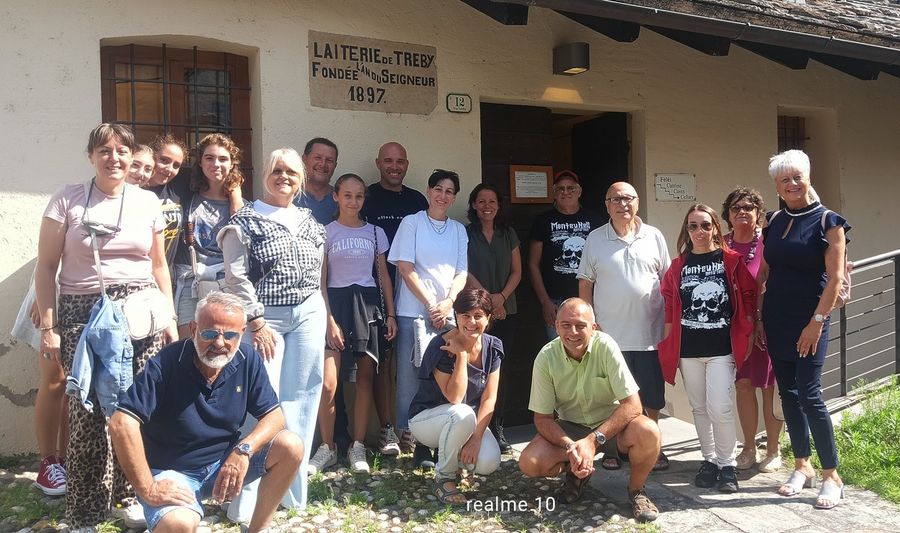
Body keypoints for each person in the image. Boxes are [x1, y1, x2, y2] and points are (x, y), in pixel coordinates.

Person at [35, 123, 177, 528]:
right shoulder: (67, 199)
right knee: (88, 412)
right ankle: (85, 509)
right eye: (104, 150)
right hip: (84, 312)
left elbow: (158, 265)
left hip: (140, 313)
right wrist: (49, 327)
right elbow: (46, 267)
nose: (114, 158)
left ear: (132, 156)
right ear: (91, 156)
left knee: (135, 407)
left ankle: (130, 495)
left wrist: (168, 317)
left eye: (121, 151)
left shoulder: (147, 202)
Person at [108, 292, 303, 533]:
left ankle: (257, 530)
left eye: (230, 335)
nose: (220, 343)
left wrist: (244, 450)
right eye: (210, 334)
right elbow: (121, 422)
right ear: (193, 329)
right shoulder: (167, 363)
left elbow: (275, 416)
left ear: (242, 332)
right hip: (173, 472)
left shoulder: (247, 358)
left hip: (223, 465)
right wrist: (148, 488)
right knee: (178, 524)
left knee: (290, 446)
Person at [219, 147, 327, 515]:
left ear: (301, 180)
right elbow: (235, 276)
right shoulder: (244, 220)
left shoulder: (310, 220)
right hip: (264, 319)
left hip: (308, 313)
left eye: (291, 172)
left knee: (303, 399)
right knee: (260, 404)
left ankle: (290, 493)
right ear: (266, 174)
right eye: (277, 170)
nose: (284, 177)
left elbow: (318, 273)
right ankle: (244, 500)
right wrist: (257, 322)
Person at [757, 149, 849, 509]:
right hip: (777, 319)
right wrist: (759, 317)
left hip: (811, 319)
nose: (792, 184)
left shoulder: (829, 221)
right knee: (789, 395)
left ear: (808, 176)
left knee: (810, 395)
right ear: (777, 186)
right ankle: (802, 466)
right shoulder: (774, 220)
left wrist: (816, 323)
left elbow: (835, 278)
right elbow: (766, 271)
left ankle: (831, 475)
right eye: (785, 179)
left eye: (797, 176)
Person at [518, 298, 660, 523]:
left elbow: (633, 404)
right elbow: (543, 418)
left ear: (593, 327)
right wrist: (571, 446)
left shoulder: (606, 346)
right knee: (530, 462)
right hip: (571, 428)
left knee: (649, 431)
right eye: (566, 325)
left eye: (580, 325)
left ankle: (637, 491)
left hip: (612, 427)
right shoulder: (546, 357)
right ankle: (576, 472)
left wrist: (593, 440)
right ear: (556, 326)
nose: (573, 332)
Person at [659, 204, 757, 493]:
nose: (699, 231)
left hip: (721, 349)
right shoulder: (678, 266)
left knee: (720, 407)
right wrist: (669, 344)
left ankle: (727, 465)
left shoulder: (731, 261)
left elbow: (748, 298)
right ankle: (709, 460)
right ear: (686, 230)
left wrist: (749, 333)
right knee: (699, 408)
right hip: (688, 350)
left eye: (705, 225)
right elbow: (669, 305)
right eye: (693, 226)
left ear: (715, 227)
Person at [577, 181, 671, 471]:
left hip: (649, 334)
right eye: (615, 199)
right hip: (610, 336)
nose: (622, 204)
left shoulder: (654, 236)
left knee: (651, 398)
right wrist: (589, 324)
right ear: (607, 205)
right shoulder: (595, 238)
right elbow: (585, 283)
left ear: (637, 202)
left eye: (628, 198)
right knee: (612, 398)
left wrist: (669, 326)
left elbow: (667, 281)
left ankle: (653, 447)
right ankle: (612, 449)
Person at [309, 173, 397, 475]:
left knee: (365, 378)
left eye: (359, 196)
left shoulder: (375, 233)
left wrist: (391, 315)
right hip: (336, 305)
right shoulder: (325, 232)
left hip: (368, 306)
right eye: (347, 195)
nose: (353, 201)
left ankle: (357, 445)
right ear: (336, 196)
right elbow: (320, 282)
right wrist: (328, 319)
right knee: (329, 383)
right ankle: (328, 447)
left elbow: (383, 277)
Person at [389, 169, 468, 466]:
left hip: (447, 315)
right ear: (428, 191)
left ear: (454, 197)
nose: (442, 195)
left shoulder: (458, 230)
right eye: (438, 189)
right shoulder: (412, 223)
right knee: (413, 377)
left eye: (449, 191)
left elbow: (461, 272)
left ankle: (442, 439)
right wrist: (431, 304)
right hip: (414, 313)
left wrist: (448, 303)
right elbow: (405, 267)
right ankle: (415, 439)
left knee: (445, 374)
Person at [360, 141, 428, 455]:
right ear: (378, 163)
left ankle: (413, 428)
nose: (394, 166)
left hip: (412, 293)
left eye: (400, 161)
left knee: (415, 362)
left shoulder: (417, 201)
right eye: (388, 160)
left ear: (407, 165)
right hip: (375, 290)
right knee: (383, 362)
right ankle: (388, 428)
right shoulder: (367, 197)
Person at [408, 289, 502, 504]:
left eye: (478, 316)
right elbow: (455, 398)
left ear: (488, 318)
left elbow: (489, 399)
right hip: (427, 421)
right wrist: (461, 356)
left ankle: (459, 464)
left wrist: (476, 440)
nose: (471, 322)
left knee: (488, 461)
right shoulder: (440, 345)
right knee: (461, 413)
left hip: (466, 421)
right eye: (465, 315)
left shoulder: (493, 346)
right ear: (456, 316)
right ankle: (444, 478)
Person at [720, 187, 784, 473]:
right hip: (734, 327)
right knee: (743, 385)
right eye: (736, 208)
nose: (742, 212)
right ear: (728, 215)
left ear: (759, 213)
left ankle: (773, 449)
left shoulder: (768, 243)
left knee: (768, 386)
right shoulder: (720, 244)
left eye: (748, 207)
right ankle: (748, 447)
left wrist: (760, 321)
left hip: (766, 324)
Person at [464, 183, 521, 452]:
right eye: (481, 201)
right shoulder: (465, 234)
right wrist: (488, 300)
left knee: (501, 370)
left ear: (499, 206)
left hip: (506, 310)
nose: (487, 206)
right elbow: (463, 270)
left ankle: (497, 426)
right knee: (476, 368)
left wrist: (501, 298)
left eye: (492, 201)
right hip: (477, 313)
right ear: (474, 205)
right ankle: (473, 427)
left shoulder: (508, 233)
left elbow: (517, 271)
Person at [172, 133, 245, 338]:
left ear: (232, 163)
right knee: (188, 344)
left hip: (228, 283)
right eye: (209, 158)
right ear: (200, 162)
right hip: (190, 282)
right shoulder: (184, 197)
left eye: (223, 159)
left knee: (223, 343)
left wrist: (236, 198)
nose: (216, 164)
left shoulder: (243, 207)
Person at [528, 170, 605, 340]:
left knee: (591, 345)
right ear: (554, 193)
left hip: (590, 299)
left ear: (579, 191)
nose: (565, 192)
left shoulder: (595, 221)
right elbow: (533, 264)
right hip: (556, 301)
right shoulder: (542, 221)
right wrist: (545, 301)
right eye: (560, 189)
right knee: (559, 348)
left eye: (571, 188)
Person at [11, 275, 68, 496]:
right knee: (55, 378)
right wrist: (43, 297)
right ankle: (48, 464)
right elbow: (49, 259)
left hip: (88, 288)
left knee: (76, 383)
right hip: (54, 288)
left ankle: (67, 461)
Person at [146, 135, 189, 270]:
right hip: (139, 274)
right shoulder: (133, 190)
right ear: (151, 157)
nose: (169, 169)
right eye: (164, 160)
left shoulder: (178, 188)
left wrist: (235, 195)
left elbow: (216, 177)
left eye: (176, 165)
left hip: (168, 274)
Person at [293, 137, 339, 224]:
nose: (323, 164)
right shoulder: (288, 196)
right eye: (318, 158)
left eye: (329, 160)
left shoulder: (343, 200)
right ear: (304, 159)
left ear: (335, 166)